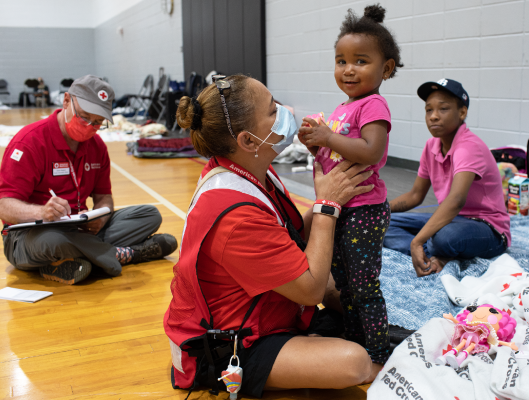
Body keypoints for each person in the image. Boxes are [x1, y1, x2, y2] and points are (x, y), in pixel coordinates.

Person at [164, 74, 380, 399]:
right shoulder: (234, 210)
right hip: (227, 344)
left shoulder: (250, 168)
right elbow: (310, 290)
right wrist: (327, 206)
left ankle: (307, 347)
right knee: (355, 363)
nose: (284, 111)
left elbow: (290, 234)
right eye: (272, 109)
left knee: (350, 295)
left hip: (268, 313)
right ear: (248, 141)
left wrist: (333, 196)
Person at [298, 4, 400, 365]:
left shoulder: (373, 106)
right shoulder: (345, 107)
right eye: (341, 61)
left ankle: (375, 349)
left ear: (385, 68)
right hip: (342, 208)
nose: (349, 69)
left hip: (364, 212)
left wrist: (328, 136)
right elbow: (335, 155)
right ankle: (353, 334)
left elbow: (371, 152)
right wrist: (316, 141)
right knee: (343, 282)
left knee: (363, 285)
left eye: (360, 61)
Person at [0, 75, 177, 285]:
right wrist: (41, 213)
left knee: (149, 214)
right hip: (29, 235)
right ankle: (128, 254)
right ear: (66, 101)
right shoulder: (29, 143)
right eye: (84, 117)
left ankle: (76, 258)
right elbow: (4, 205)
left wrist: (99, 218)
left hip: (78, 229)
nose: (88, 127)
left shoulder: (97, 146)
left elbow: (104, 198)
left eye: (98, 123)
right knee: (52, 240)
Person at [383, 79, 510, 276]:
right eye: (428, 110)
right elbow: (415, 195)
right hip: (453, 220)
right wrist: (378, 210)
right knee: (382, 222)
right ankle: (432, 256)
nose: (433, 116)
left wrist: (417, 240)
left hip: (488, 229)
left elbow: (456, 200)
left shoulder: (469, 146)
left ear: (462, 113)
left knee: (445, 237)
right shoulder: (430, 146)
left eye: (443, 109)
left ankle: (432, 249)